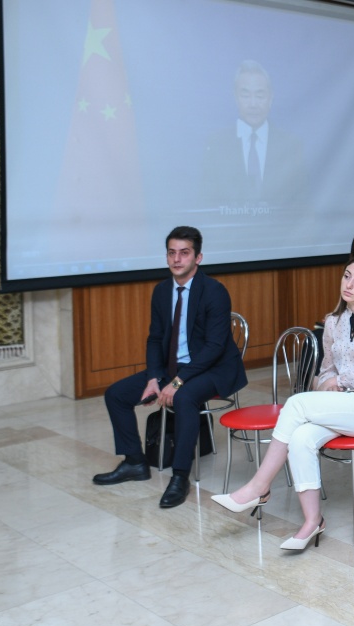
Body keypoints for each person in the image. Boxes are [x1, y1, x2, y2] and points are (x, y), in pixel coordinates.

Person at [211, 257, 354, 548]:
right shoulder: (334, 321)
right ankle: (313, 522)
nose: (349, 284)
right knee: (300, 437)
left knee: (297, 404)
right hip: (347, 404)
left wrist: (339, 382)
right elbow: (326, 370)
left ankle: (259, 486)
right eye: (347, 276)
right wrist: (328, 384)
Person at [93, 226, 247, 508]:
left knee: (184, 397)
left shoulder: (214, 291)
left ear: (198, 257)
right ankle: (135, 462)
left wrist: (177, 382)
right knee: (116, 394)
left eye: (184, 253)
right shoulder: (162, 291)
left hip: (213, 368)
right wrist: (154, 378)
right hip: (171, 366)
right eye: (171, 253)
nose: (177, 259)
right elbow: (155, 338)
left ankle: (179, 477)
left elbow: (214, 347)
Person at [201, 60, 307, 208]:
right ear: (235, 98)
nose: (253, 104)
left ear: (271, 98)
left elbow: (301, 204)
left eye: (260, 95)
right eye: (245, 95)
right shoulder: (216, 145)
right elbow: (207, 201)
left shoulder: (291, 146)